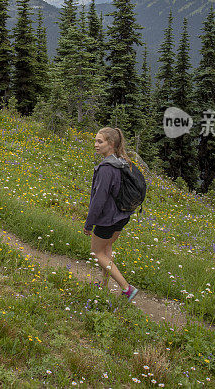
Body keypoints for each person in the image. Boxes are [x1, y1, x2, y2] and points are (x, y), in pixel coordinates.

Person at [83, 127, 138, 300]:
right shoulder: (122, 162)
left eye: (100, 141)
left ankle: (127, 289)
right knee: (106, 248)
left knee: (97, 253)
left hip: (107, 219)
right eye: (95, 140)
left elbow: (99, 200)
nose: (96, 145)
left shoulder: (106, 168)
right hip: (122, 216)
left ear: (111, 144)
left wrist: (89, 223)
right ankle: (104, 284)